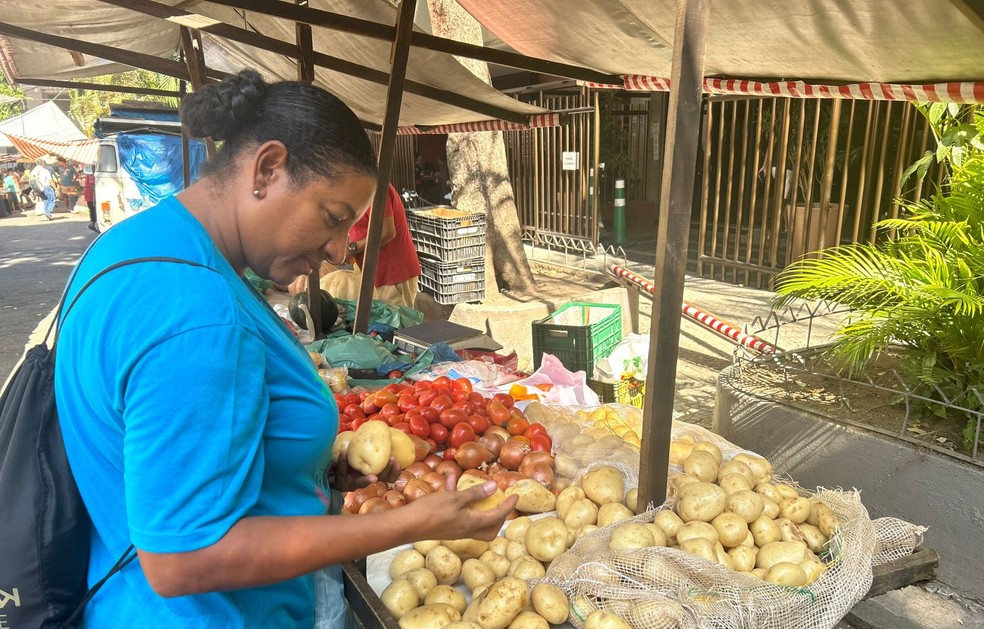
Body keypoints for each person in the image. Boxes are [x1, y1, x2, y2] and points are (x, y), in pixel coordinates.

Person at [54, 69, 515, 628]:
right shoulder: (199, 316)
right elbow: (184, 558)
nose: (341, 251)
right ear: (268, 168)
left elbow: (161, 446)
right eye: (333, 218)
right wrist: (415, 522)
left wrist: (302, 468)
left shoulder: (129, 246)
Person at [288, 184, 421, 309]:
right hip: (369, 272)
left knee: (395, 327)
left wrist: (352, 248)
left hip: (392, 273)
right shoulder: (352, 190)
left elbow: (386, 232)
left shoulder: (373, 186)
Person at [82, 163, 97, 232]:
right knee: (93, 207)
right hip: (91, 193)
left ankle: (93, 223)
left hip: (89, 193)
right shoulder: (91, 175)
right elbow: (92, 184)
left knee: (92, 208)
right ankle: (93, 223)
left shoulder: (90, 174)